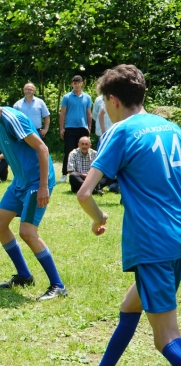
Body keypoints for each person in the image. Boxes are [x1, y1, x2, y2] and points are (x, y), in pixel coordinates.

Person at [77, 64, 181, 365]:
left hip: (154, 244)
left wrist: (99, 218)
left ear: (113, 101)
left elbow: (84, 194)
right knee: (130, 305)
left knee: (167, 338)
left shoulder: (119, 131)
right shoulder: (172, 128)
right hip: (176, 239)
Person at [0, 82, 67, 301]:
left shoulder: (12, 118)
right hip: (20, 182)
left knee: (28, 232)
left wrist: (42, 186)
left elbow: (42, 148)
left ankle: (58, 285)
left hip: (36, 181)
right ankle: (24, 275)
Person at [59, 75, 92, 183]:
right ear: (71, 84)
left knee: (84, 151)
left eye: (78, 83)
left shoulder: (87, 97)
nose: (76, 85)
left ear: (82, 84)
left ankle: (85, 173)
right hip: (70, 127)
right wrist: (61, 128)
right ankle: (64, 174)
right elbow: (62, 113)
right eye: (74, 83)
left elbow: (88, 113)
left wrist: (89, 127)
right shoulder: (67, 97)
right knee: (69, 151)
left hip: (83, 127)